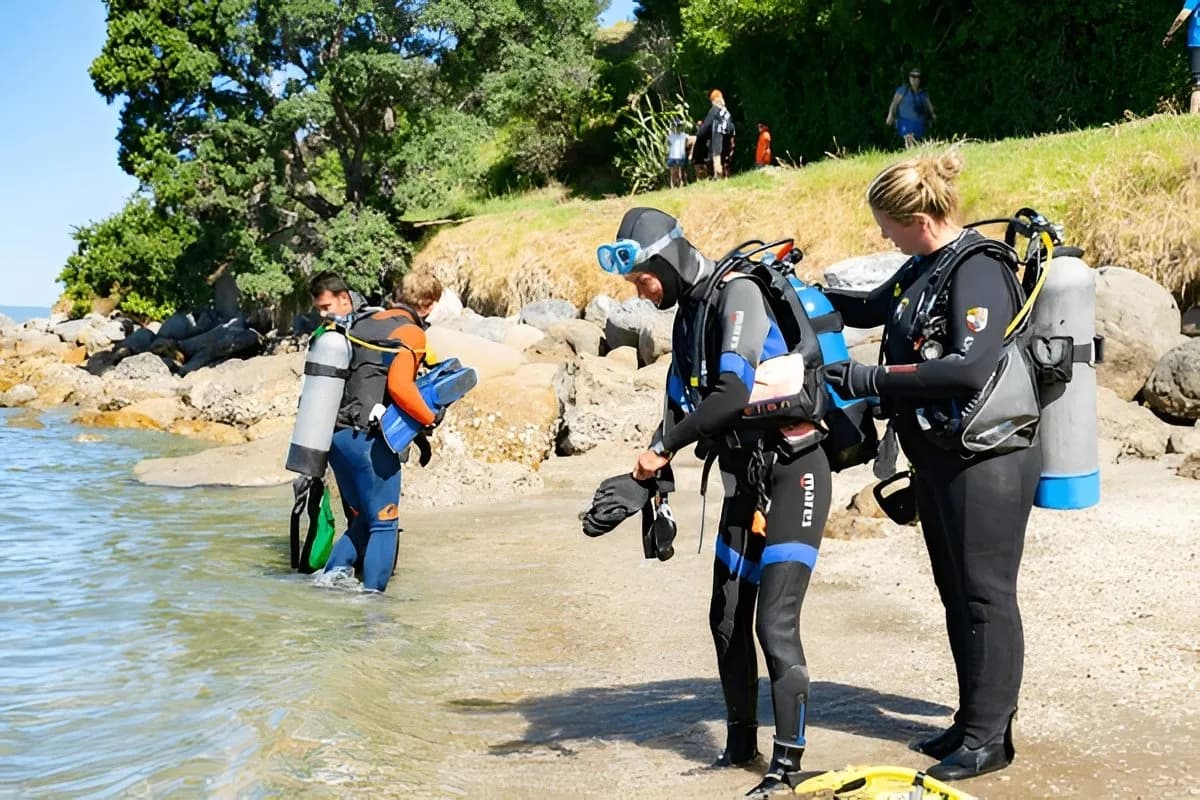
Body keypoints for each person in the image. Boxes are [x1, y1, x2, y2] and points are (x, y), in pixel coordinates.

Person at [596, 208, 833, 796]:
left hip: (795, 474)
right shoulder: (688, 319)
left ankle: (786, 767)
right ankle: (740, 746)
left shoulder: (738, 294)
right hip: (743, 481)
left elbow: (729, 395)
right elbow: (682, 409)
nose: (640, 290)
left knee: (774, 624)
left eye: (643, 277)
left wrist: (661, 450)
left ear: (668, 258)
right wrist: (647, 487)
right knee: (726, 619)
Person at [821, 152, 1041, 781]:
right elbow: (868, 307)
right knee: (955, 591)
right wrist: (793, 288)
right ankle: (970, 721)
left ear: (918, 219)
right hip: (942, 454)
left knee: (985, 594)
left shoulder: (978, 269)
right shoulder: (923, 265)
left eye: (886, 225)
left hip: (990, 456)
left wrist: (870, 378)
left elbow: (970, 368)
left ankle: (990, 739)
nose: (881, 235)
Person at [310, 270, 442, 592]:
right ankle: (375, 608)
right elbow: (400, 387)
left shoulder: (361, 323)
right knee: (384, 523)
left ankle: (324, 587)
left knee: (363, 523)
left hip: (335, 438)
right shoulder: (410, 333)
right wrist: (428, 418)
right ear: (427, 305)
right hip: (368, 443)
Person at [1163, 0, 1200, 114]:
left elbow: (1183, 15)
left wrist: (1170, 33)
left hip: (1197, 41)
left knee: (1198, 82)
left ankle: (1193, 116)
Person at [886, 68, 935, 148]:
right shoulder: (903, 90)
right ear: (909, 77)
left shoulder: (923, 93)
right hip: (905, 122)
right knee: (908, 137)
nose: (915, 79)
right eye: (912, 76)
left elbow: (931, 109)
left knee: (919, 140)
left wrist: (934, 118)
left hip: (919, 124)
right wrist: (890, 115)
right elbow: (894, 103)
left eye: (917, 77)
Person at [697, 90, 735, 179]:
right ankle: (725, 175)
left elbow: (706, 125)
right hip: (727, 138)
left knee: (716, 155)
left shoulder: (714, 110)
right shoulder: (726, 112)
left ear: (713, 100)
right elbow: (731, 126)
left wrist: (700, 133)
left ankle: (717, 174)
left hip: (718, 138)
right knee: (724, 157)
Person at [666, 119, 690, 189]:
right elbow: (667, 143)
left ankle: (680, 184)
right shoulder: (671, 135)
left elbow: (688, 140)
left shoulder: (683, 135)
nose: (677, 127)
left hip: (680, 155)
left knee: (679, 171)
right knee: (673, 172)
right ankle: (673, 185)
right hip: (673, 155)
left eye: (678, 126)